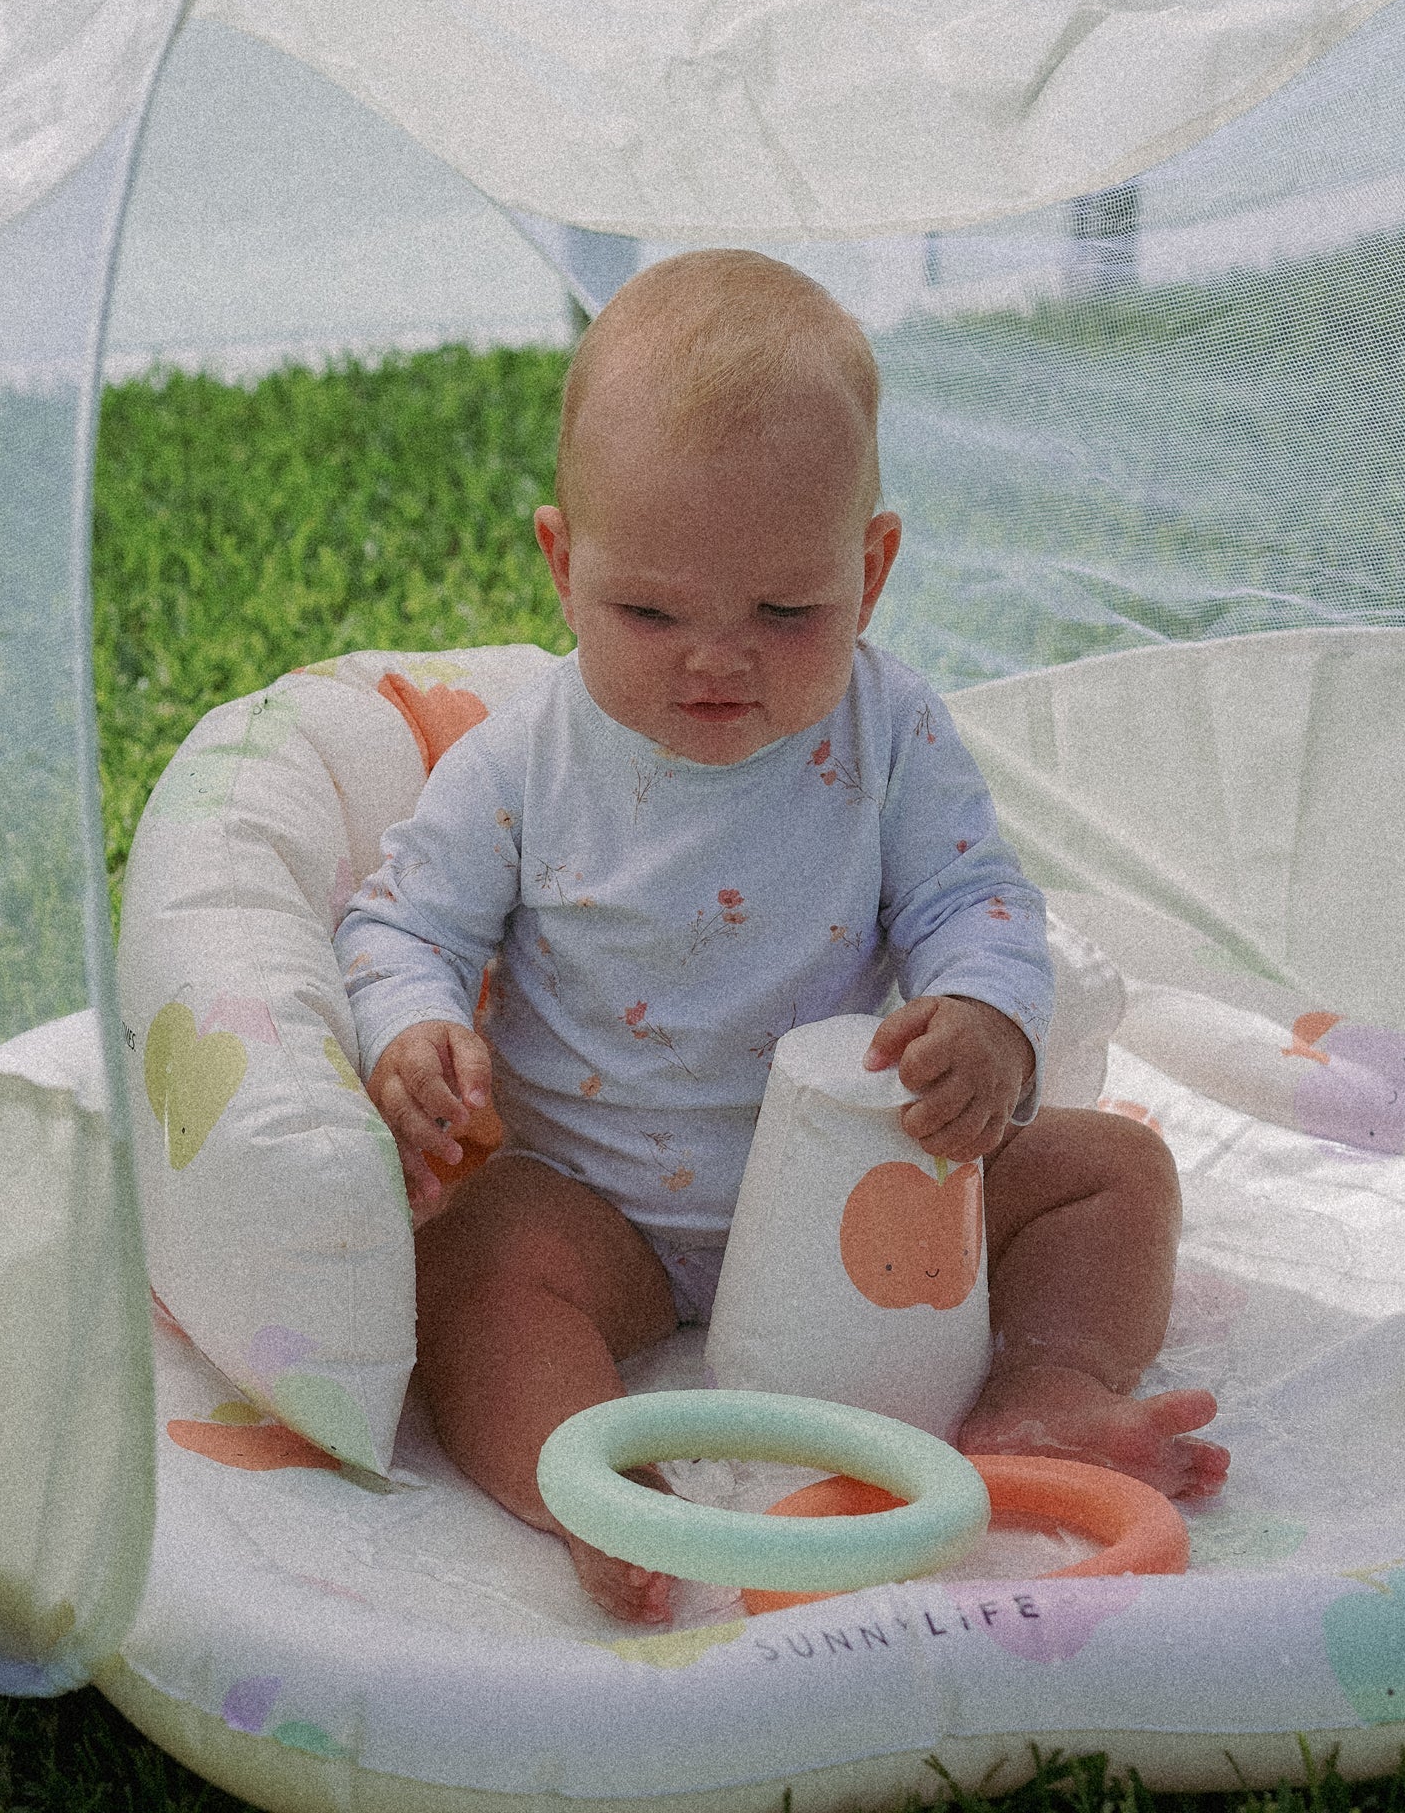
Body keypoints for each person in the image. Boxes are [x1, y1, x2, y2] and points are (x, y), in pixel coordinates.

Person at [336, 250, 1226, 1624]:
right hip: (606, 1211)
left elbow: (974, 903)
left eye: (784, 612)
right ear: (564, 568)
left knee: (1118, 1175)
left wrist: (988, 1019)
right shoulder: (522, 764)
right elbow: (402, 923)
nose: (715, 659)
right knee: (470, 1261)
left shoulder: (895, 736)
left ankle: (1048, 1385)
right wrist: (414, 1028)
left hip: (862, 1208)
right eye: (650, 611)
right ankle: (590, 1489)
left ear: (869, 573)